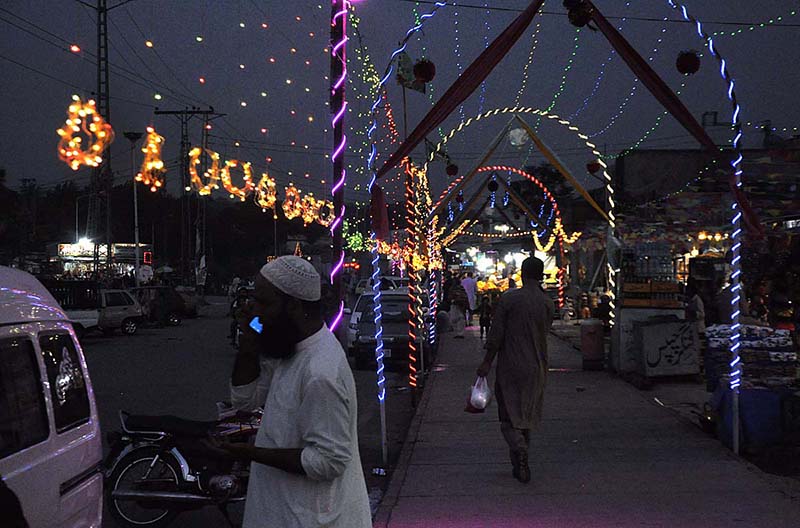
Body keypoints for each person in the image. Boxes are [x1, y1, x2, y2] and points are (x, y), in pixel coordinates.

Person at [211, 256, 371, 527]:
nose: (255, 310)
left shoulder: (320, 372)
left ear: (293, 306)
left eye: (264, 303)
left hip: (314, 518)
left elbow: (328, 461)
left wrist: (247, 453)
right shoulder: (291, 350)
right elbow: (245, 400)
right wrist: (250, 341)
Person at [476, 257, 554, 484]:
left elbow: (496, 335)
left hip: (511, 366)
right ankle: (520, 459)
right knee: (526, 416)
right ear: (540, 275)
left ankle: (519, 452)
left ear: (522, 272)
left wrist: (487, 362)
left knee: (509, 416)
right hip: (537, 367)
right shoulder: (547, 303)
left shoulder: (510, 299)